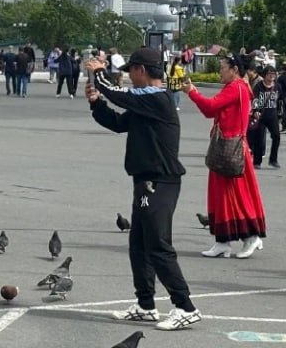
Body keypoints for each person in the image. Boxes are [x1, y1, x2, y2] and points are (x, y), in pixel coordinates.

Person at [85, 48, 201, 331]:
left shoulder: (156, 98)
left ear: (141, 70)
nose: (128, 76)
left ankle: (185, 306)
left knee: (159, 246)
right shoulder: (144, 104)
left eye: (130, 70)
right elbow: (117, 122)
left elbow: (118, 92)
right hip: (145, 180)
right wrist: (97, 103)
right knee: (139, 245)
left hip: (160, 180)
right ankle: (146, 305)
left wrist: (99, 72)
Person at [182, 54, 267, 259]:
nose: (220, 71)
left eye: (222, 68)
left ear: (234, 70)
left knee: (237, 194)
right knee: (220, 194)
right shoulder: (237, 87)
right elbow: (212, 112)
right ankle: (223, 241)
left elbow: (210, 108)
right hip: (226, 148)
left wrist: (192, 92)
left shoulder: (235, 88)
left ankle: (251, 237)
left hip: (232, 149)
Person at [249, 65, 281, 168]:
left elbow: (280, 100)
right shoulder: (258, 86)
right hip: (261, 116)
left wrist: (281, 113)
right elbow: (255, 99)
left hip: (272, 115)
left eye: (274, 74)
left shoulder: (277, 86)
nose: (272, 76)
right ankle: (257, 162)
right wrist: (255, 111)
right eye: (270, 74)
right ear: (265, 75)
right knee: (259, 139)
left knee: (276, 136)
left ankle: (273, 159)